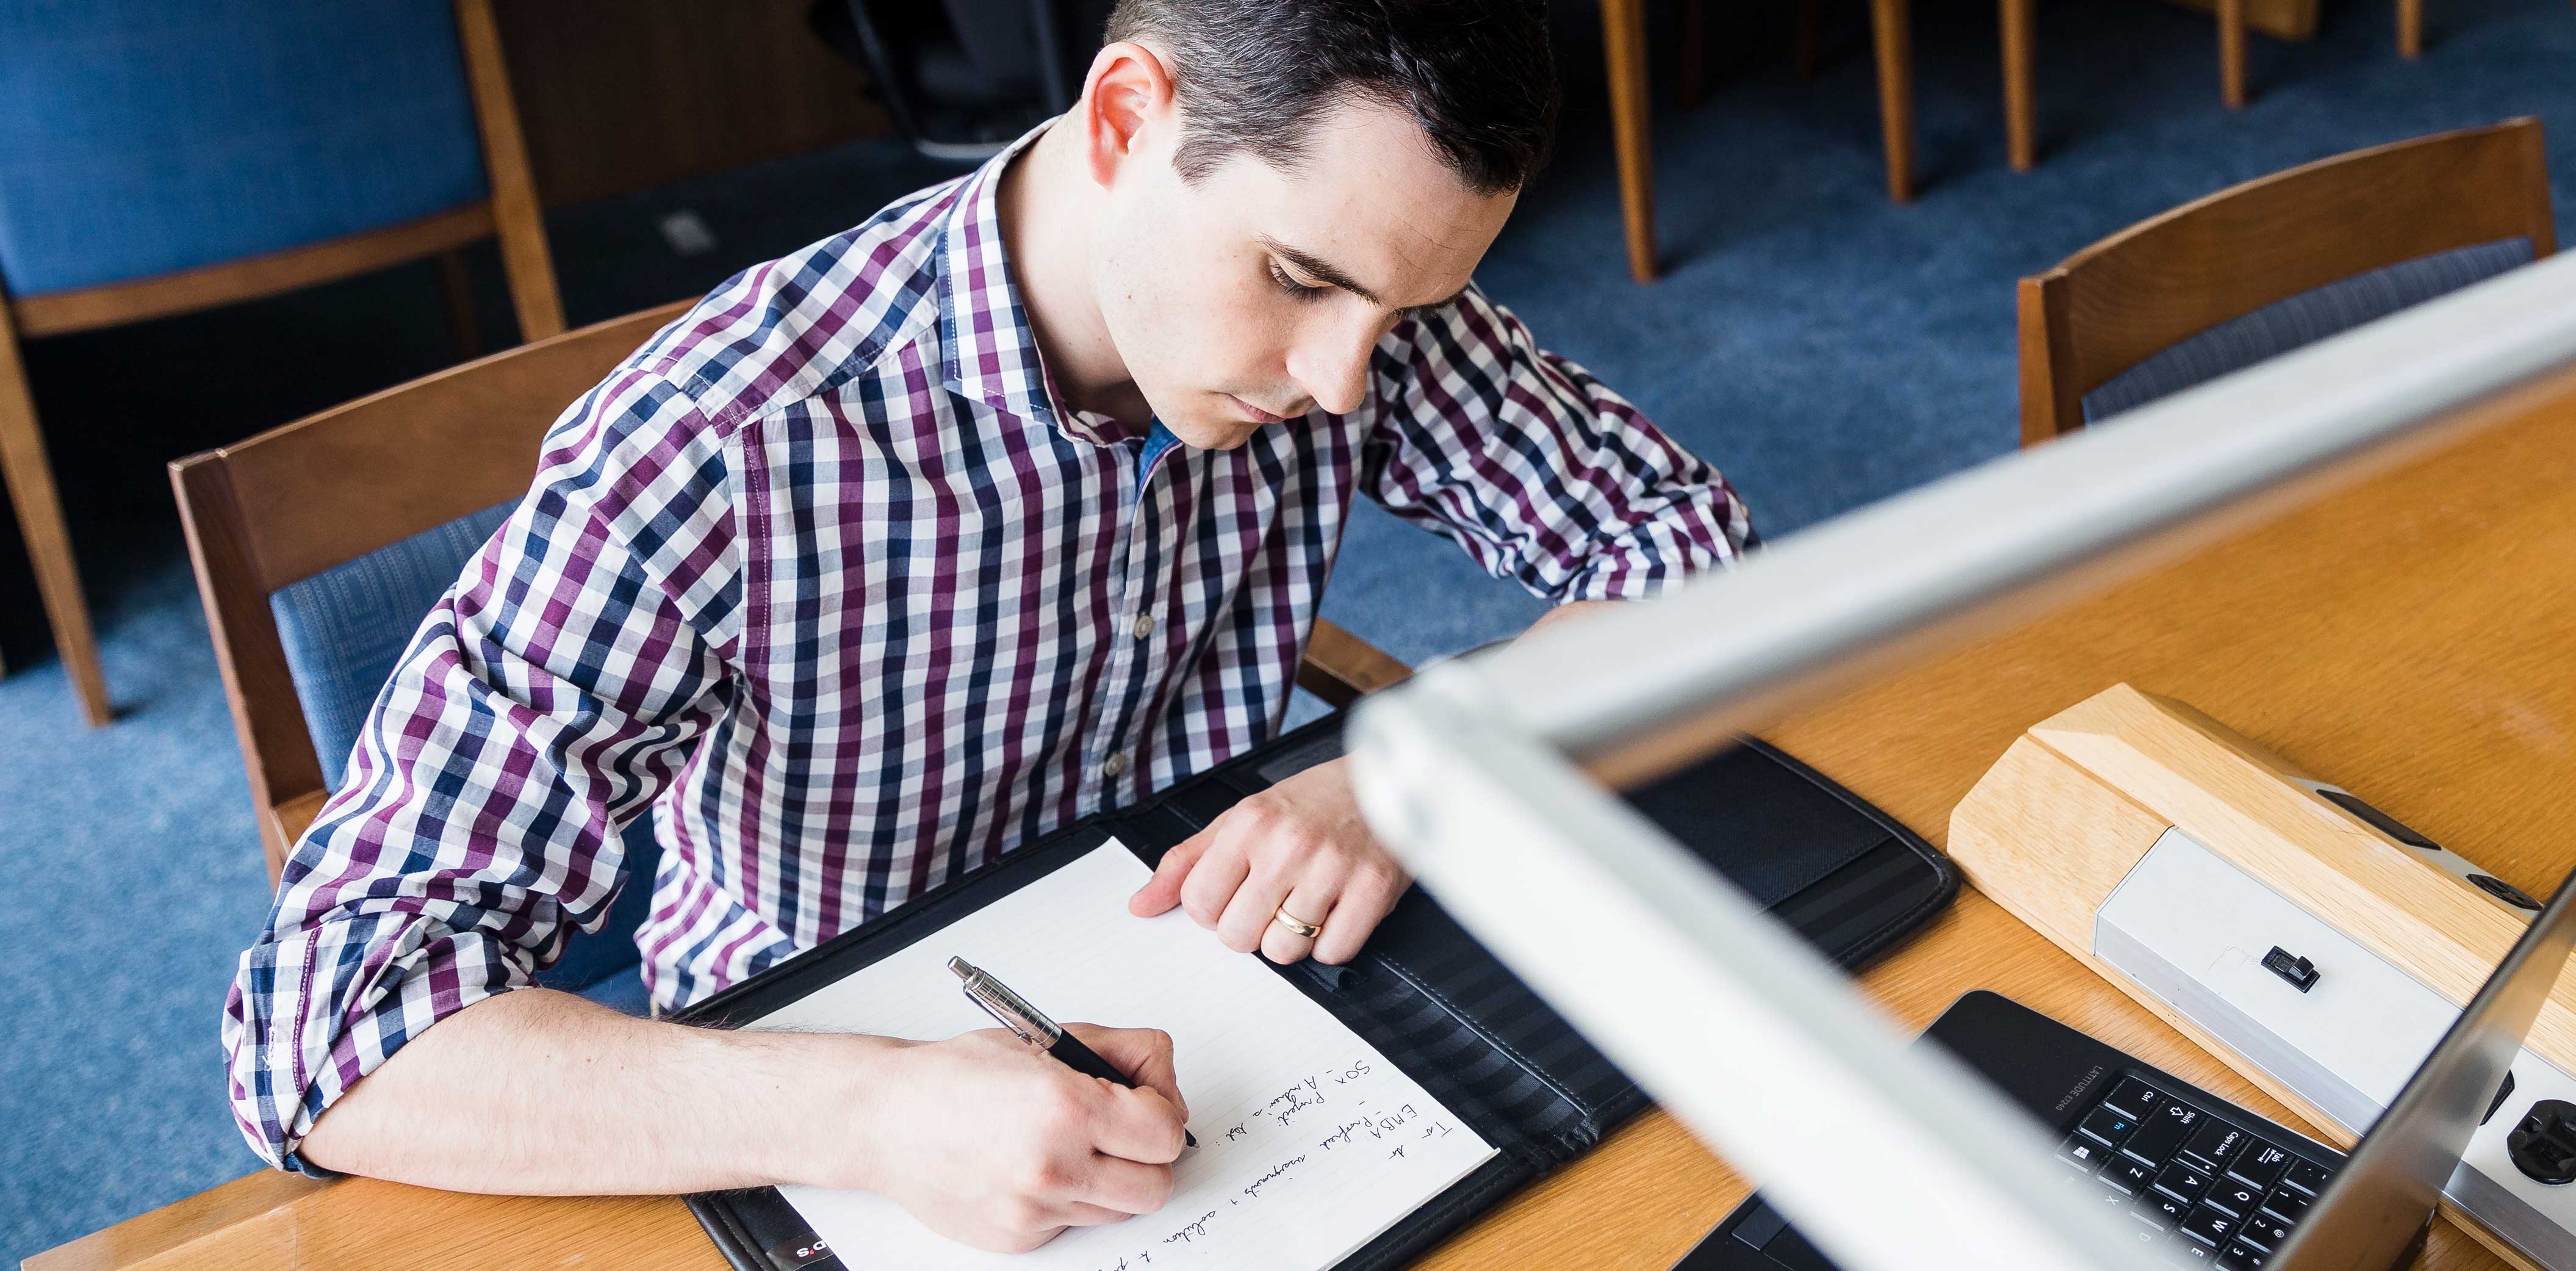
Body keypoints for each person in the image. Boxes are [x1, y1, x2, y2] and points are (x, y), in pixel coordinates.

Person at [218, 0, 1751, 1255]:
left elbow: (1690, 549)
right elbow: (326, 1028)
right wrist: (868, 1115)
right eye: (1298, 281)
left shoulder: (1360, 292)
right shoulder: (717, 448)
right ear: (1123, 118)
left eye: (1404, 315)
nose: (1346, 380)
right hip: (834, 1089)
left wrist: (1418, 760)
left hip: (1253, 1000)